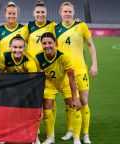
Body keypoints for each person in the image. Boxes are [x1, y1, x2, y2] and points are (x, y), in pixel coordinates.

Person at [55, 2, 98, 144]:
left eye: (70, 11)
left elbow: (91, 45)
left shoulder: (81, 26)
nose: (67, 14)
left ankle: (85, 134)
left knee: (84, 102)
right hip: (65, 72)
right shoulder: (56, 29)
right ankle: (71, 131)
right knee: (70, 104)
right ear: (60, 13)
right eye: (65, 11)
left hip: (80, 70)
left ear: (73, 13)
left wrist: (94, 64)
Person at [33, 32, 81, 144]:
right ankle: (50, 137)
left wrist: (75, 97)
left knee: (74, 106)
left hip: (65, 82)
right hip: (50, 84)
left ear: (55, 42)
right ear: (41, 44)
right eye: (44, 43)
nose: (47, 45)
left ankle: (76, 137)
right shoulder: (38, 57)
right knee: (47, 107)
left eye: (50, 42)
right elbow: (36, 76)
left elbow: (72, 78)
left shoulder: (64, 56)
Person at [27, 2, 57, 144]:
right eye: (38, 12)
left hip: (47, 67)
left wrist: (75, 21)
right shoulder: (29, 26)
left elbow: (62, 33)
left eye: (42, 12)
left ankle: (50, 132)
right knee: (34, 99)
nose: (40, 15)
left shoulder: (52, 26)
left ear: (46, 13)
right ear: (34, 13)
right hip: (33, 68)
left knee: (49, 99)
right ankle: (35, 127)